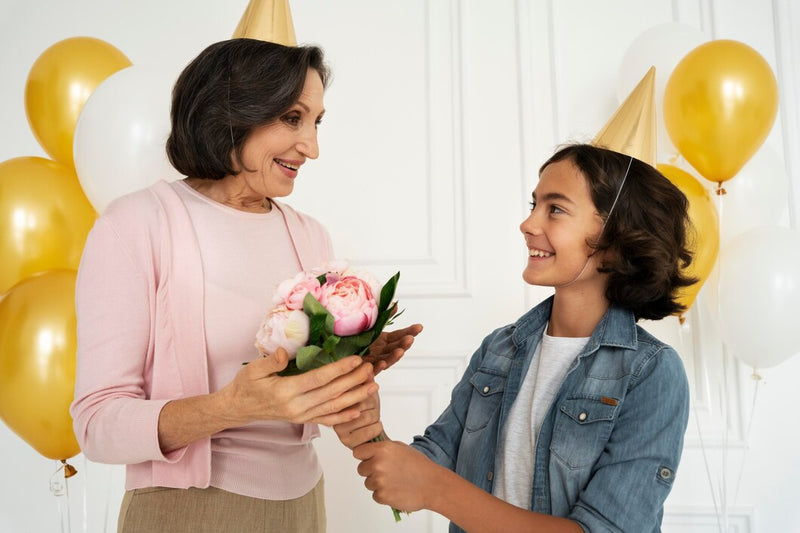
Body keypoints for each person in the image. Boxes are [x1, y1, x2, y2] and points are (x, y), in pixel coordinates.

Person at [70, 38, 421, 533]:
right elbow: (97, 425)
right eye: (293, 118)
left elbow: (302, 392)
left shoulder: (309, 234)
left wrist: (347, 372)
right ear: (234, 111)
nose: (312, 147)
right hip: (187, 511)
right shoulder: (137, 224)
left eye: (317, 122)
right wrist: (229, 408)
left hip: (302, 505)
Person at [335, 143, 694, 532]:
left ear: (615, 237)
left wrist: (436, 489)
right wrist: (368, 427)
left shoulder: (651, 373)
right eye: (534, 204)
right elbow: (431, 463)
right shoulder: (500, 349)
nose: (528, 224)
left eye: (555, 209)